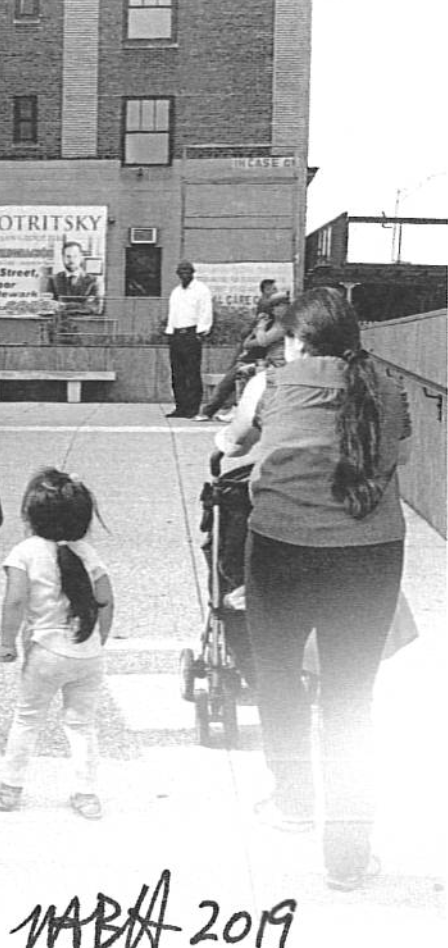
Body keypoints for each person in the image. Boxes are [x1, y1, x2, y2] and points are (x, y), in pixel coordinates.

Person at [215, 287, 412, 892]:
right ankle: (348, 855)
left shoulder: (269, 384)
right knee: (352, 698)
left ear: (297, 339)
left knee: (278, 674)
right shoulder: (386, 386)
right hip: (370, 553)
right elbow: (394, 449)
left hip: (282, 549)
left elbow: (231, 443)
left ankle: (295, 801)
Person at [0, 468, 114, 821]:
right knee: (82, 725)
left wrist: (7, 642)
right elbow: (106, 600)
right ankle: (86, 793)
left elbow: (15, 601)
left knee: (27, 719)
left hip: (45, 653)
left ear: (30, 515)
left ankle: (11, 786)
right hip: (87, 654)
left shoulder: (25, 552)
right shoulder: (88, 554)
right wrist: (98, 640)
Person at [194, 278, 277, 421]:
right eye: (272, 289)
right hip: (251, 355)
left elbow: (260, 340)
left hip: (255, 357)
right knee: (231, 382)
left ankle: (211, 411)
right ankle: (220, 409)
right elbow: (252, 335)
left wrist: (249, 341)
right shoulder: (264, 312)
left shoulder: (271, 320)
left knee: (229, 382)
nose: (274, 291)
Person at [165, 261, 212, 417]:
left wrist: (201, 331)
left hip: (192, 334)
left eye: (187, 271)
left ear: (193, 272)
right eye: (181, 271)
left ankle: (192, 408)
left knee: (192, 372)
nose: (184, 274)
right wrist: (170, 332)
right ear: (178, 274)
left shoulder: (201, 290)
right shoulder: (176, 292)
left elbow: (205, 311)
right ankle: (180, 407)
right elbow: (173, 313)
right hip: (177, 335)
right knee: (177, 373)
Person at [49, 241, 100, 314]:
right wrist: (80, 306)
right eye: (68, 256)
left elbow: (92, 307)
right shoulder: (54, 280)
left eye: (75, 256)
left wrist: (64, 306)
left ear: (81, 257)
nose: (71, 260)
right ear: (62, 258)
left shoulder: (93, 281)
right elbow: (48, 306)